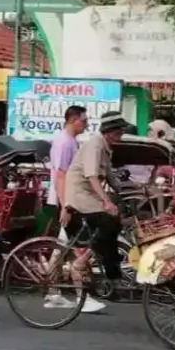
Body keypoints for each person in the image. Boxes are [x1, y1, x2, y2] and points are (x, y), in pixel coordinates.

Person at [57, 111, 132, 312]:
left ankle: (113, 275)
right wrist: (106, 201)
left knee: (114, 226)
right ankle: (81, 262)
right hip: (79, 195)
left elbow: (111, 178)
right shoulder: (94, 146)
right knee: (110, 219)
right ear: (110, 132)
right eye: (119, 131)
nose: (121, 135)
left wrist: (133, 190)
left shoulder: (106, 149)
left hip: (89, 195)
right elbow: (92, 176)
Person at [43, 105, 102, 312]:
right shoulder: (64, 143)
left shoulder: (71, 142)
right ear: (73, 119)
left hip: (70, 200)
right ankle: (80, 297)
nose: (86, 123)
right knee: (76, 247)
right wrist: (65, 205)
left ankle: (53, 293)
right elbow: (61, 175)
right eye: (84, 120)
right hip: (67, 202)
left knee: (64, 248)